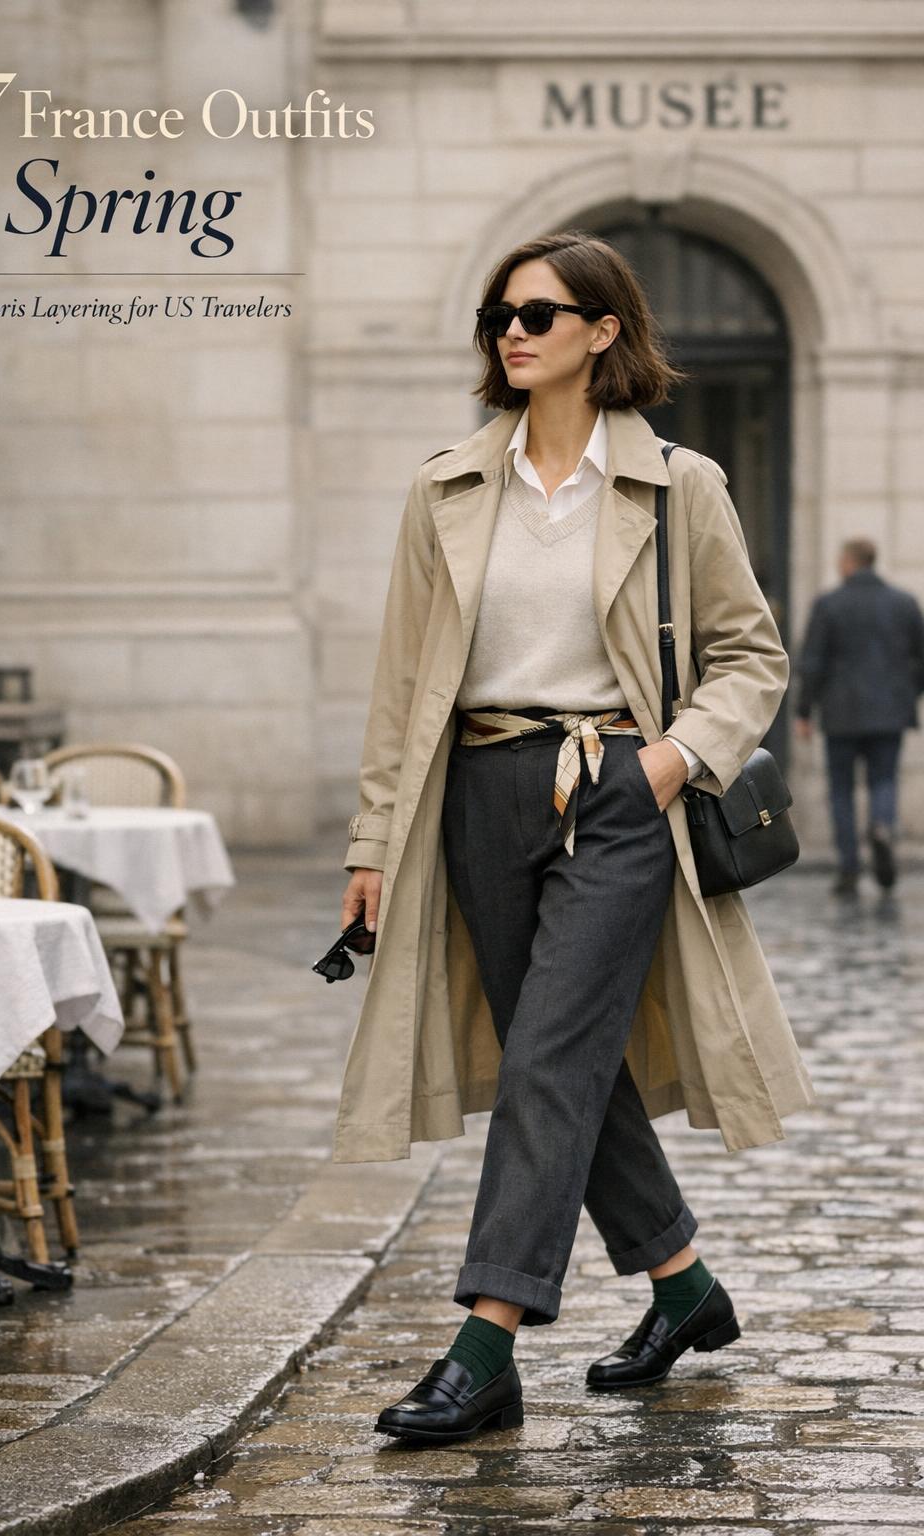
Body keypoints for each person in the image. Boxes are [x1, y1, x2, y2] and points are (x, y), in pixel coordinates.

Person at [336, 230, 815, 1445]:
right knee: (562, 1062)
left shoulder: (677, 485)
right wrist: (370, 843)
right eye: (500, 315)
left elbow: (750, 656)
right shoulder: (446, 488)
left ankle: (484, 1345)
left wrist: (667, 760)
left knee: (547, 1059)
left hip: (616, 793)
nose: (513, 332)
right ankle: (683, 1286)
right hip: (480, 793)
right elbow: (401, 685)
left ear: (602, 332)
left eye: (538, 314)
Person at [795, 538, 924, 896]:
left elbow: (812, 663)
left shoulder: (828, 604)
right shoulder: (904, 603)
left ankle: (849, 867)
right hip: (890, 711)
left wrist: (804, 711)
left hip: (841, 713)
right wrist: (908, 694)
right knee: (884, 780)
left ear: (849, 562)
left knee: (842, 789)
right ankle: (882, 826)